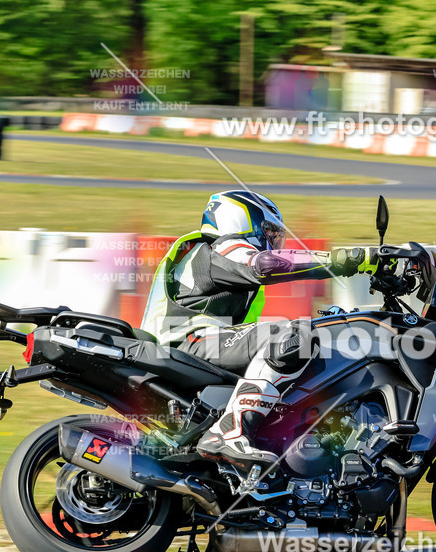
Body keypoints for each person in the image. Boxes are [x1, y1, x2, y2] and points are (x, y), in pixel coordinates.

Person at [140, 190, 374, 471]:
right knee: (290, 335)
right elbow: (264, 265)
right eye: (269, 232)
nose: (273, 242)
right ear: (238, 220)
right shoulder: (217, 250)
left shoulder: (222, 263)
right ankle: (231, 430)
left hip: (203, 343)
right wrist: (348, 259)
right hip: (188, 341)